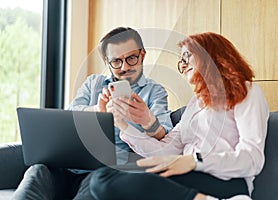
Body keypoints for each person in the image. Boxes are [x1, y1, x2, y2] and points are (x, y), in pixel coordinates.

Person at [89, 32, 269, 200]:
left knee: (103, 181)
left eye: (187, 57)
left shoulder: (247, 91)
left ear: (210, 55)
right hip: (187, 174)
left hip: (226, 181)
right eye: (180, 61)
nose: (182, 65)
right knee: (103, 177)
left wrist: (194, 161)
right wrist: (121, 123)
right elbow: (167, 150)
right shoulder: (195, 104)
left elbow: (252, 158)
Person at [12, 27, 173, 200]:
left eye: (131, 58)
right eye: (116, 61)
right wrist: (98, 110)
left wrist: (148, 121)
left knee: (95, 184)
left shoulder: (154, 92)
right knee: (38, 170)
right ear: (107, 62)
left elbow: (165, 139)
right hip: (68, 167)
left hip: (107, 172)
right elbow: (69, 116)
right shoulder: (93, 84)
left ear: (143, 55)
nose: (125, 67)